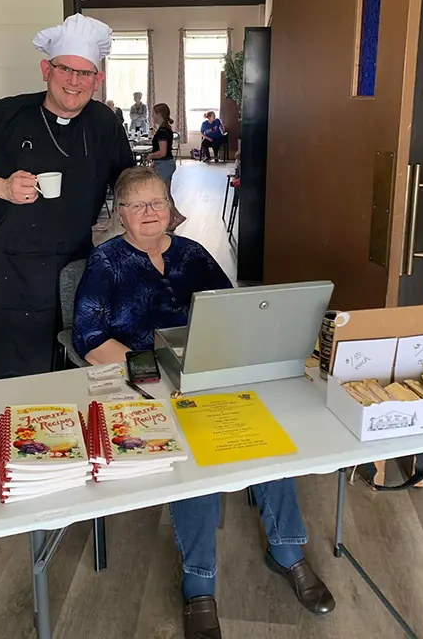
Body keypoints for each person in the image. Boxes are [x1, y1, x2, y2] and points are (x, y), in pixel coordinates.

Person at [72, 167, 335, 639]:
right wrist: (155, 376)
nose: (151, 213)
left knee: (265, 435)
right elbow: (90, 339)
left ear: (171, 207)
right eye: (138, 206)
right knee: (195, 455)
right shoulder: (105, 263)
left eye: (158, 202)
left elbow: (229, 308)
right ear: (121, 215)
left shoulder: (193, 252)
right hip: (146, 381)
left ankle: (289, 551)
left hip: (206, 368)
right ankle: (200, 583)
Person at [0, 14, 134, 379]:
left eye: (86, 74)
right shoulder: (4, 115)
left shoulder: (104, 124)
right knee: (15, 372)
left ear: (99, 79)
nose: (74, 82)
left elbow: (127, 182)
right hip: (9, 268)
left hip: (77, 263)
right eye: (65, 69)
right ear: (46, 68)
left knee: (74, 364)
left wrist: (145, 219)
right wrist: (1, 187)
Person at [146, 103, 186, 231]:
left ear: (159, 114)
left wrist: (150, 156)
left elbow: (162, 152)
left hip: (164, 164)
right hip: (165, 163)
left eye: (154, 113)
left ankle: (177, 216)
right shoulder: (166, 129)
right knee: (166, 193)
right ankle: (170, 221)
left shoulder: (162, 132)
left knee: (163, 195)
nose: (153, 116)